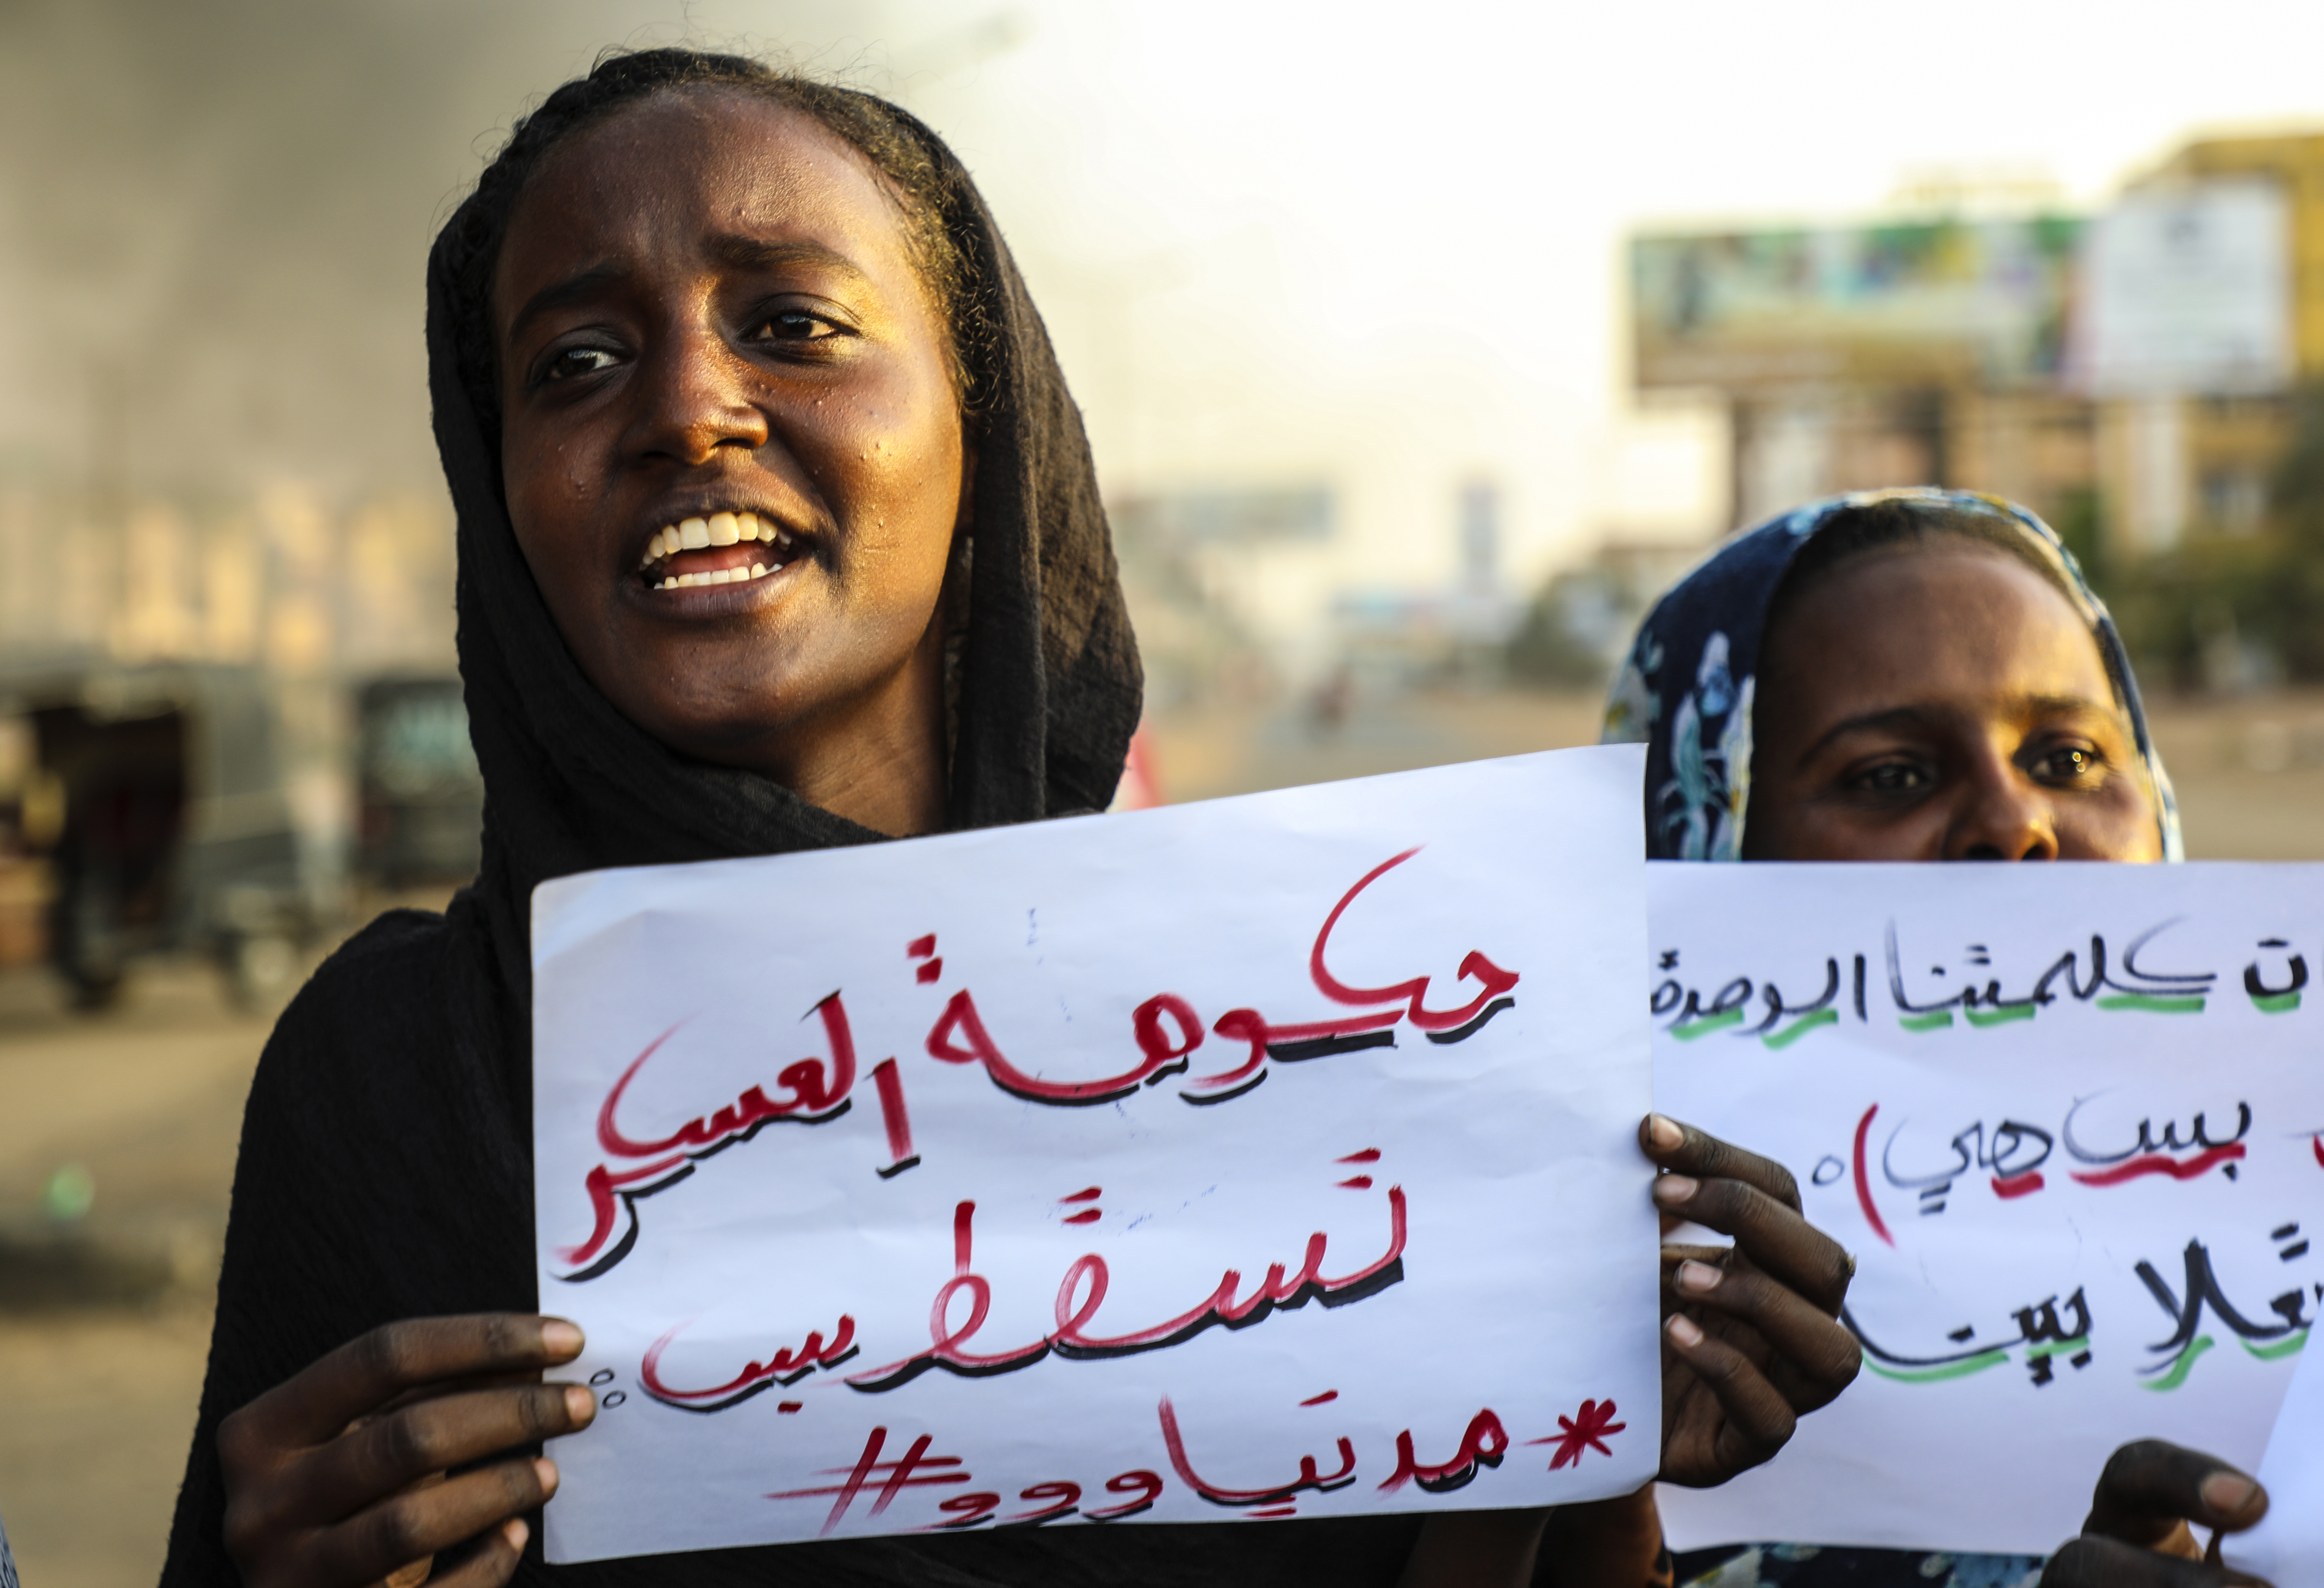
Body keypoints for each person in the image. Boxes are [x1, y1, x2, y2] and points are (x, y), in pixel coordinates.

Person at [161, 49, 1859, 1588]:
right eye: (578, 361)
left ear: (988, 422)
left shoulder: (1363, 1044)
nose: (685, 407)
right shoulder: (395, 1080)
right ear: (497, 486)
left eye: (789, 323)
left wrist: (1583, 1446)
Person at [1604, 488, 2274, 1588]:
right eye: (1892, 776)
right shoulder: (1581, 1399)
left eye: (2066, 758)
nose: (2016, 824)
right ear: (1703, 836)